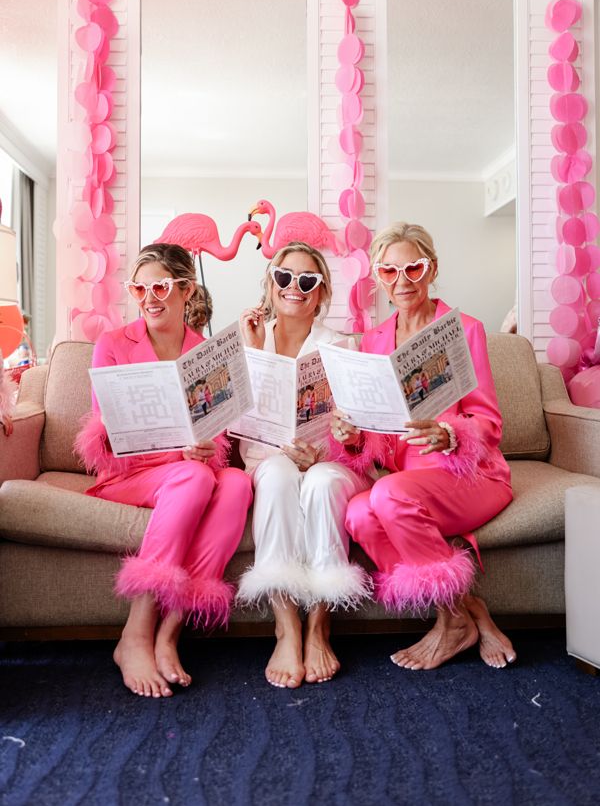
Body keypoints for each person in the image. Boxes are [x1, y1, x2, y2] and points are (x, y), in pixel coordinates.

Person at [332, 222, 516, 671]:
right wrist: (354, 437)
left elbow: (489, 422)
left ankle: (452, 625)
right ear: (378, 277)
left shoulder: (464, 329)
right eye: (389, 271)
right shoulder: (373, 340)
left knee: (387, 494)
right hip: (407, 480)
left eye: (412, 268)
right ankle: (468, 613)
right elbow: (378, 434)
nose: (402, 281)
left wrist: (450, 434)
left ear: (431, 268)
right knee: (358, 514)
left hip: (469, 475)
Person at [76, 243, 252, 698]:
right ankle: (135, 632)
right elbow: (103, 439)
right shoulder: (113, 344)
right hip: (130, 475)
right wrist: (116, 430)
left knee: (235, 482)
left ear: (186, 290)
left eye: (160, 287)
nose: (149, 298)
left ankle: (170, 630)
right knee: (194, 477)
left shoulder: (207, 353)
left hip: (189, 470)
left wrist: (208, 446)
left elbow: (219, 434)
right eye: (139, 288)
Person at [238, 241, 372, 689]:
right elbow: (235, 428)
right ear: (270, 284)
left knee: (320, 482)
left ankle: (319, 623)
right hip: (269, 460)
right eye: (284, 276)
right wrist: (255, 353)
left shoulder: (341, 346)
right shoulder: (248, 339)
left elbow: (361, 435)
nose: (294, 286)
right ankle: (286, 625)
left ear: (321, 292)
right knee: (278, 476)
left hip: (329, 463)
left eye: (307, 279)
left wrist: (326, 453)